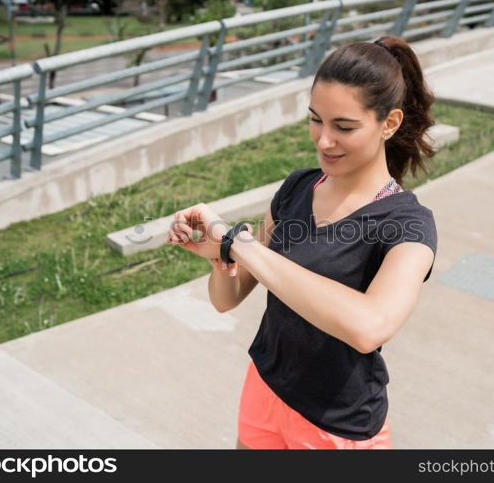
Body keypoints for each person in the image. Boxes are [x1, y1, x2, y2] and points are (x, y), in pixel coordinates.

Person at [166, 35, 438, 449]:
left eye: (343, 127)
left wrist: (237, 242)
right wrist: (220, 257)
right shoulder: (297, 187)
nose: (323, 140)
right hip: (265, 386)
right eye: (316, 119)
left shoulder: (408, 224)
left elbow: (369, 326)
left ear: (390, 123)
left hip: (337, 423)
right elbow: (228, 298)